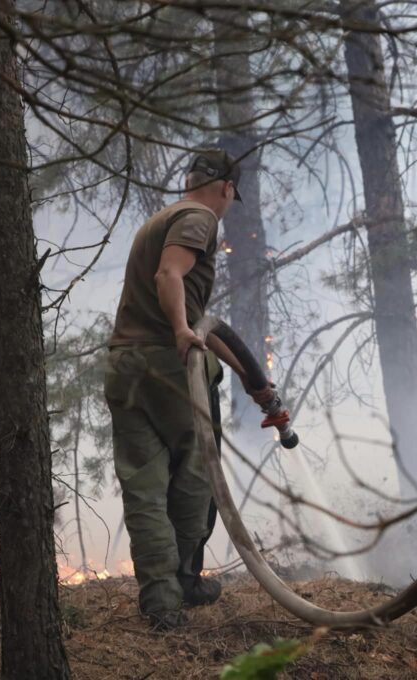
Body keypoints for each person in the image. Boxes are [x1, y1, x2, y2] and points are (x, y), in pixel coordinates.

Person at [104, 150, 277, 630]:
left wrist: (251, 378)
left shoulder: (160, 219)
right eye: (231, 198)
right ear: (226, 189)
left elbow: (205, 321)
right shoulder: (199, 218)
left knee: (144, 488)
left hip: (126, 366)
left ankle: (160, 602)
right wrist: (181, 331)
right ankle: (183, 579)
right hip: (171, 369)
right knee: (195, 484)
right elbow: (170, 277)